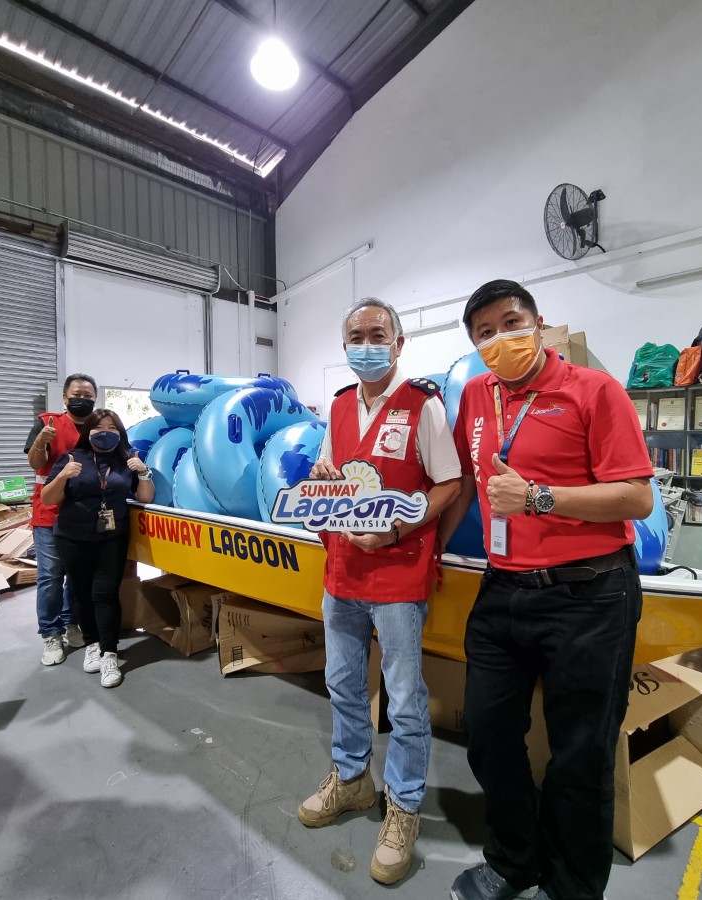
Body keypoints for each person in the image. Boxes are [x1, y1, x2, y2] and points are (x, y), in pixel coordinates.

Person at [441, 280, 654, 900]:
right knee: (487, 736)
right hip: (503, 590)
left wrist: (537, 496)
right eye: (484, 333)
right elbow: (458, 487)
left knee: (580, 757)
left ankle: (570, 888)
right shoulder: (477, 396)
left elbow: (638, 497)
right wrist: (427, 553)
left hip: (590, 596)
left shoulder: (594, 390)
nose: (499, 340)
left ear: (538, 324)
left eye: (510, 324)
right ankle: (515, 860)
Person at [297, 297, 462, 886]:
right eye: (356, 336)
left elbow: (450, 482)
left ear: (398, 343)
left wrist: (400, 526)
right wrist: (321, 480)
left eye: (377, 334)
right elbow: (331, 471)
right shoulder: (340, 407)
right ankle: (351, 780)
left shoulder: (424, 406)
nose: (365, 344)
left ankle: (405, 806)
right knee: (341, 682)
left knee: (405, 697)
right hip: (341, 569)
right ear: (344, 347)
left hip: (397, 573)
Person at [41, 409, 154, 688]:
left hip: (111, 537)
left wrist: (144, 473)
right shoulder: (71, 458)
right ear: (87, 431)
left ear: (121, 432)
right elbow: (48, 499)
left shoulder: (128, 459)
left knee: (105, 594)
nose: (105, 432)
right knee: (80, 593)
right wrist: (63, 476)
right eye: (99, 427)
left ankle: (109, 653)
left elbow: (145, 497)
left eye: (112, 428)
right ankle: (91, 644)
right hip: (72, 537)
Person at [25, 373, 100, 667]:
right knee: (51, 576)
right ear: (65, 397)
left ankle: (71, 624)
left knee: (77, 575)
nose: (83, 399)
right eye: (77, 394)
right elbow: (36, 464)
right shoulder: (48, 423)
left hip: (84, 514)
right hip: (50, 514)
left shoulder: (99, 426)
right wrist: (41, 444)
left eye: (89, 395)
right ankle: (51, 633)